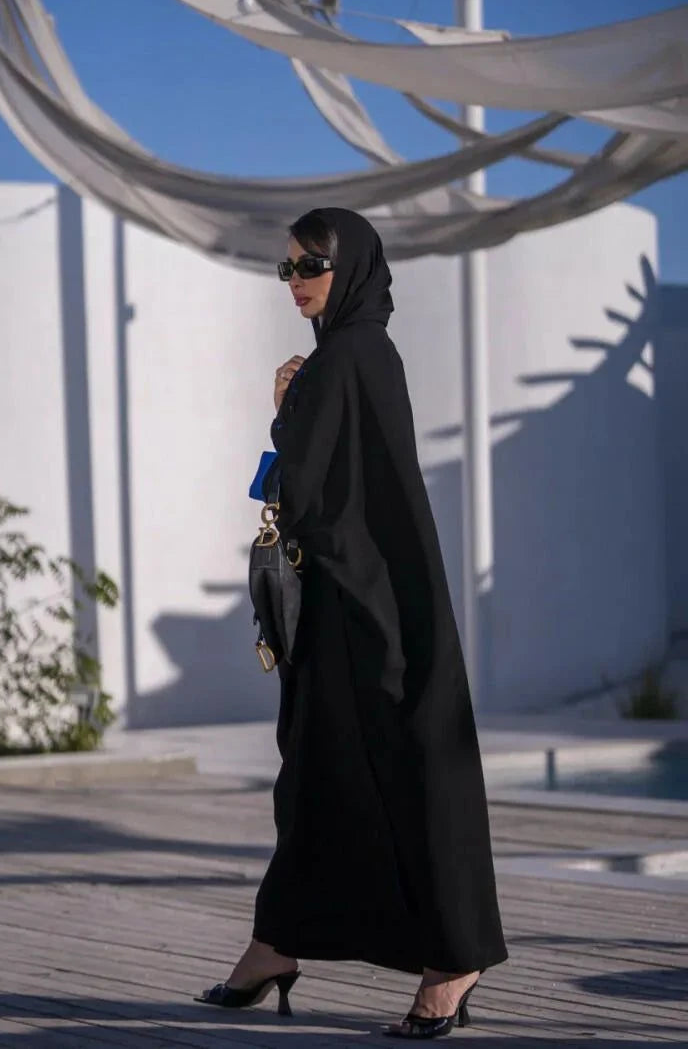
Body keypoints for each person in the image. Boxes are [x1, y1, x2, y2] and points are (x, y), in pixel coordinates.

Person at [196, 208, 507, 1039]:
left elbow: (303, 489)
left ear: (353, 267)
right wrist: (296, 407)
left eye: (310, 265)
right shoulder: (356, 354)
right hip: (359, 604)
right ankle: (276, 942)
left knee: (401, 776)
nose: (295, 280)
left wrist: (287, 407)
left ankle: (454, 960)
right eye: (287, 267)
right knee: (319, 778)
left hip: (370, 613)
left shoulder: (349, 358)